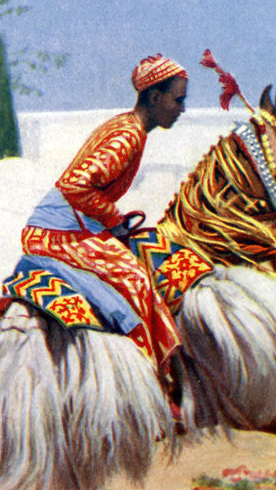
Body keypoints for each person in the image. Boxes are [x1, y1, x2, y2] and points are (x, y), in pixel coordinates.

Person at [17, 54, 188, 396]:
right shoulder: (127, 137)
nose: (181, 109)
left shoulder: (129, 128)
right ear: (155, 99)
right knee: (136, 280)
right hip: (58, 235)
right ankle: (144, 386)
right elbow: (76, 186)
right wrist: (114, 219)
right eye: (178, 100)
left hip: (75, 226)